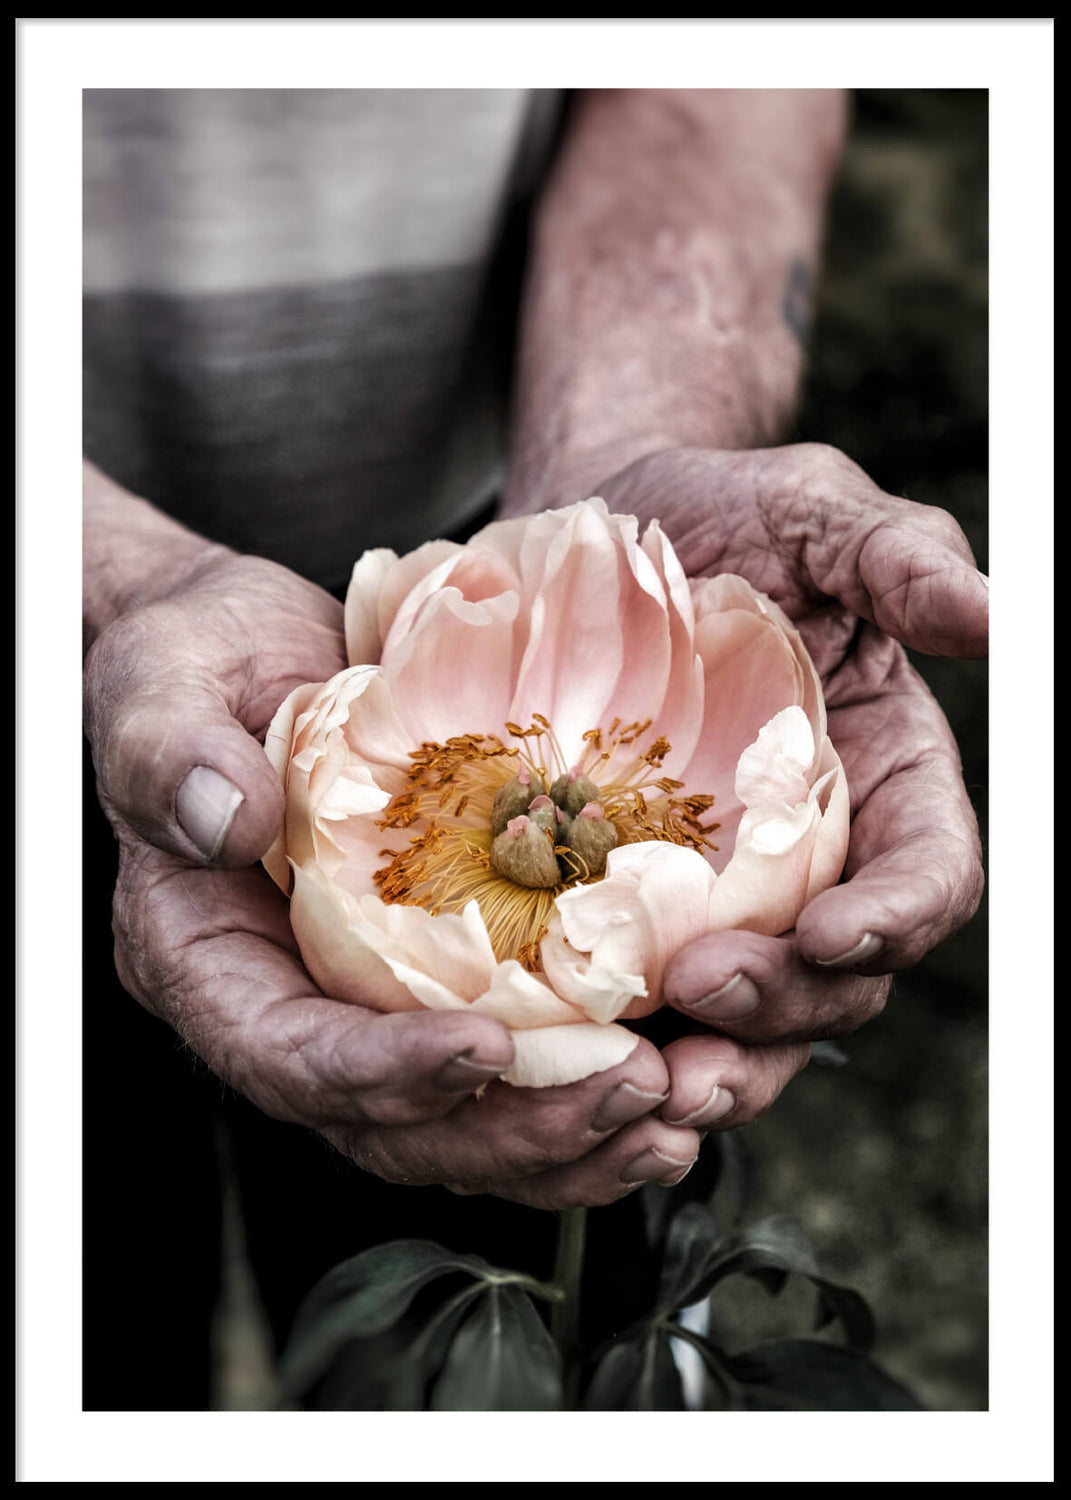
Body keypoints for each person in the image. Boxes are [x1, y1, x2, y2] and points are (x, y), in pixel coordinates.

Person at [82, 88, 986, 1408]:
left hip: (506, 483)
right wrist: (106, 579)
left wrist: (630, 442)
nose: (549, 821)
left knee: (553, 1341)